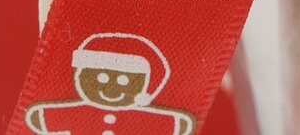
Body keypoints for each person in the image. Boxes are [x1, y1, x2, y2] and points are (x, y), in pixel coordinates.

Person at [25, 33, 194, 135]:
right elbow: (42, 117)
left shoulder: (142, 118)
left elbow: (174, 124)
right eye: (102, 78)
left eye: (124, 80)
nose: (111, 88)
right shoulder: (79, 112)